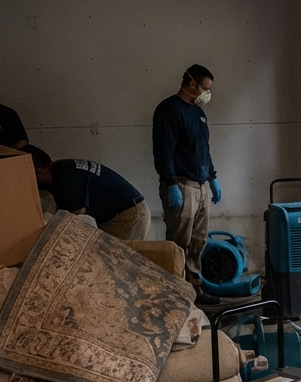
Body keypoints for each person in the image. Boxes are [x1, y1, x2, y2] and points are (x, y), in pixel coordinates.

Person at [153, 64, 222, 303]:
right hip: (182, 185)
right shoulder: (169, 110)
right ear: (191, 83)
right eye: (204, 88)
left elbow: (203, 148)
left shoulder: (198, 113)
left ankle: (195, 289)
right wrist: (170, 183)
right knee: (179, 241)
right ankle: (176, 292)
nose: (206, 93)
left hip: (201, 184)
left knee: (198, 240)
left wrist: (212, 178)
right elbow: (164, 150)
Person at [25, 146, 150, 241]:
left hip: (128, 215)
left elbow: (76, 216)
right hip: (119, 213)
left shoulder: (67, 175)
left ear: (39, 172)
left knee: (118, 263)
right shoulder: (59, 171)